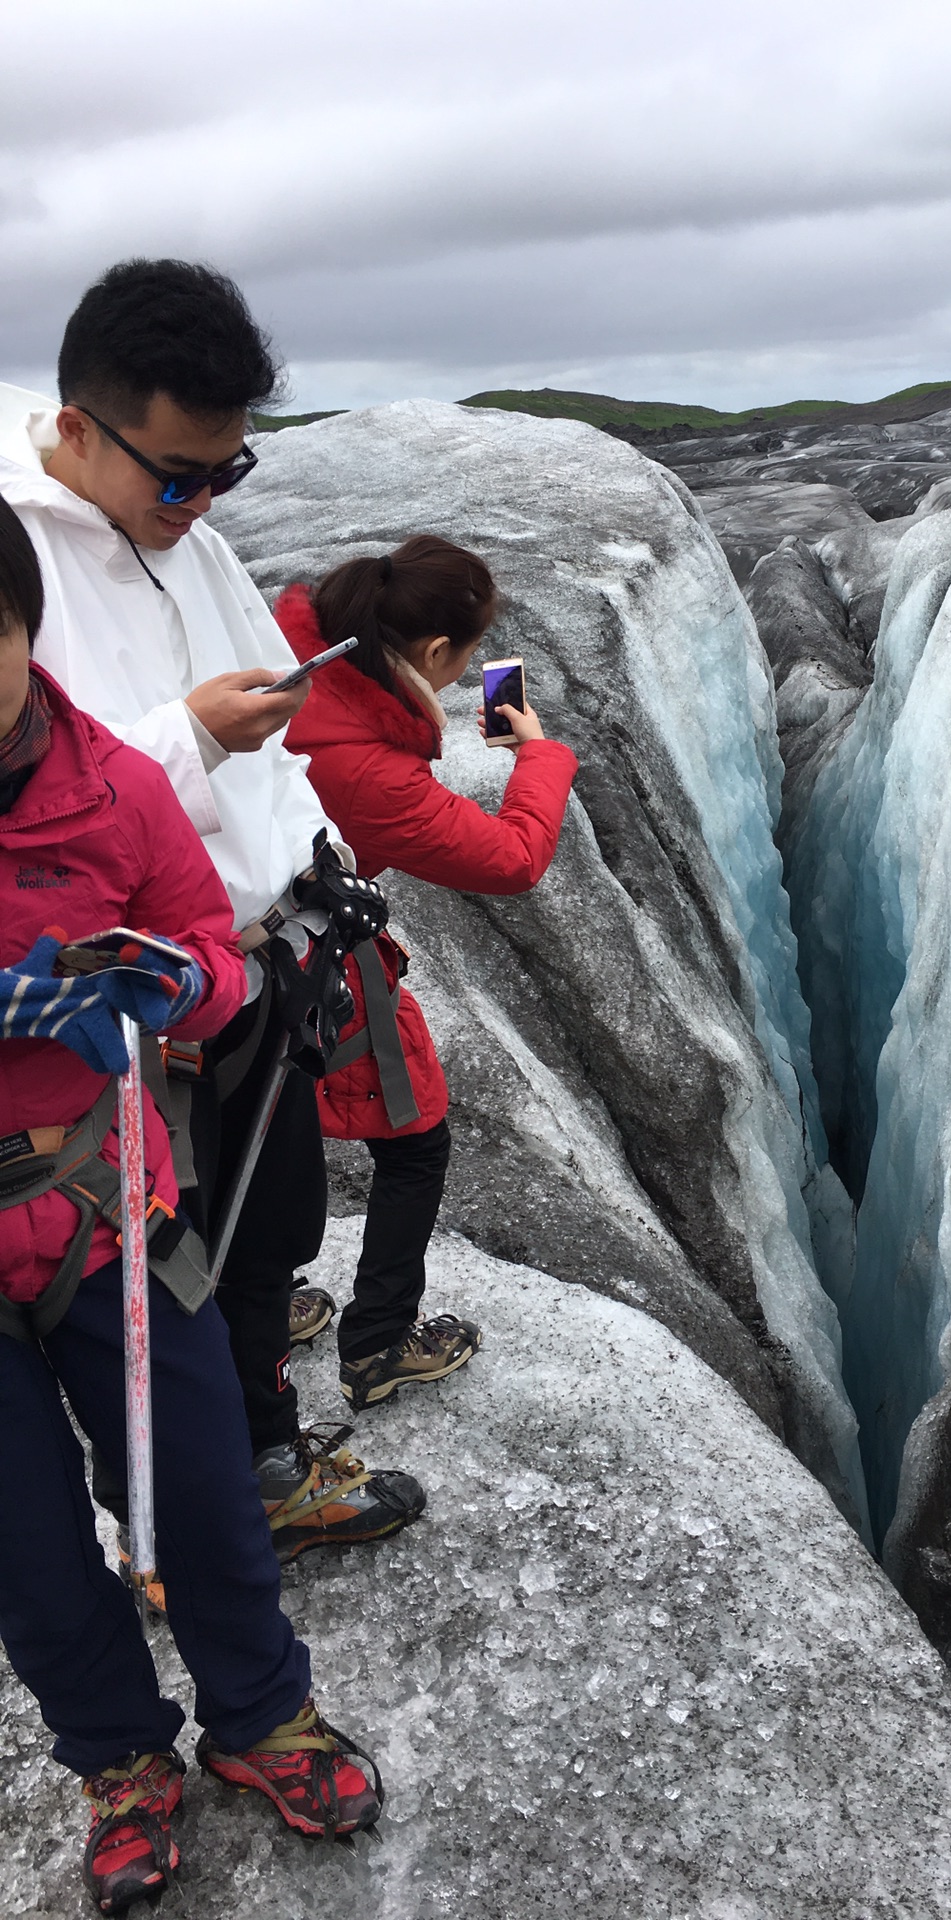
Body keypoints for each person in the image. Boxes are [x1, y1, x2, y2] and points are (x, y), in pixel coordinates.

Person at [0, 259, 424, 1590]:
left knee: (269, 1216)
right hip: (137, 1010)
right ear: (77, 428)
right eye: (179, 474)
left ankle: (243, 1431)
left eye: (226, 476)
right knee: (186, 1251)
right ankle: (243, 1484)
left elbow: (280, 741)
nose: (200, 503)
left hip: (260, 964)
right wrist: (188, 736)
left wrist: (334, 880)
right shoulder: (18, 575)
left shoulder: (198, 546)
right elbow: (40, 814)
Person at [0, 496, 383, 1916]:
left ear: (20, 628)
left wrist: (171, 983)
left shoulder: (116, 789)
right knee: (29, 1554)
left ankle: (259, 1720)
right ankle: (118, 1763)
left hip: (102, 1206)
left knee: (210, 1497)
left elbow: (213, 968)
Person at [274, 535, 577, 1408]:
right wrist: (540, 755)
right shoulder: (368, 768)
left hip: (229, 952)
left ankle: (260, 1305)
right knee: (413, 1142)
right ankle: (374, 1346)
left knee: (253, 1128)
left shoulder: (295, 661)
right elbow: (515, 858)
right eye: (470, 655)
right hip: (301, 958)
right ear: (437, 653)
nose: (471, 671)